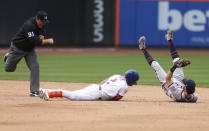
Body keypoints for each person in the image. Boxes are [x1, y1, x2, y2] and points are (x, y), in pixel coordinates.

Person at [138, 30, 198, 102]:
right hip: (178, 81)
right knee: (177, 60)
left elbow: (168, 79)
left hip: (167, 84)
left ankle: (142, 48)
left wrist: (174, 67)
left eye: (185, 85)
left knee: (156, 65)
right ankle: (169, 39)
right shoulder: (194, 96)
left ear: (185, 88)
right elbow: (185, 83)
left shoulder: (177, 94)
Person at [4, 11, 54, 96]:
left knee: (35, 67)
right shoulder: (29, 25)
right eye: (42, 21)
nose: (43, 23)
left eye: (44, 21)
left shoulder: (41, 24)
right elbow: (34, 40)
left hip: (29, 50)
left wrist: (42, 36)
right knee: (9, 69)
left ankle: (34, 91)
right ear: (37, 19)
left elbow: (41, 32)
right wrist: (47, 41)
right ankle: (8, 56)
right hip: (17, 48)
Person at [39, 69, 139, 101]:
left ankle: (47, 90)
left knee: (73, 94)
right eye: (134, 82)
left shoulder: (117, 75)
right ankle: (50, 94)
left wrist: (98, 88)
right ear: (131, 80)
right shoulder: (125, 87)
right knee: (73, 96)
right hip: (96, 93)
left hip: (95, 87)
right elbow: (116, 98)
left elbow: (104, 81)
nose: (133, 84)